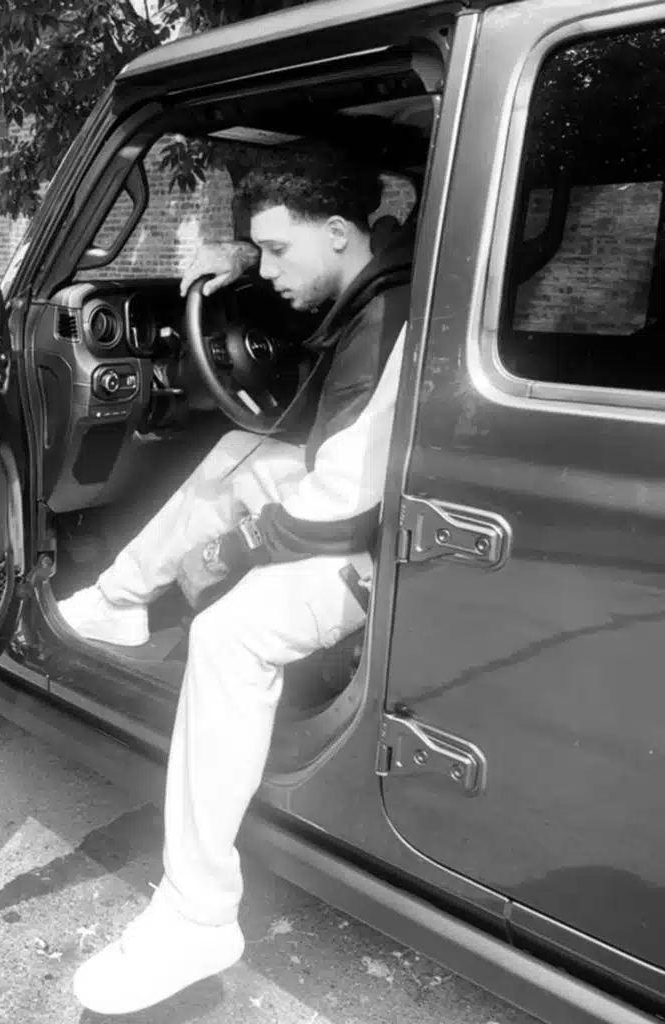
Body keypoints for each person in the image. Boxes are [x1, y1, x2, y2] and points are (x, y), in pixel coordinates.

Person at [59, 145, 414, 1015]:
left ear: (339, 232)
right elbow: (329, 462)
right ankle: (117, 603)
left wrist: (230, 553)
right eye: (260, 253)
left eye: (277, 250)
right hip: (361, 497)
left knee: (229, 634)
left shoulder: (390, 323)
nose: (269, 270)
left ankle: (198, 912)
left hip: (382, 542)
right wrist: (244, 270)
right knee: (233, 450)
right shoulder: (380, 274)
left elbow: (339, 509)